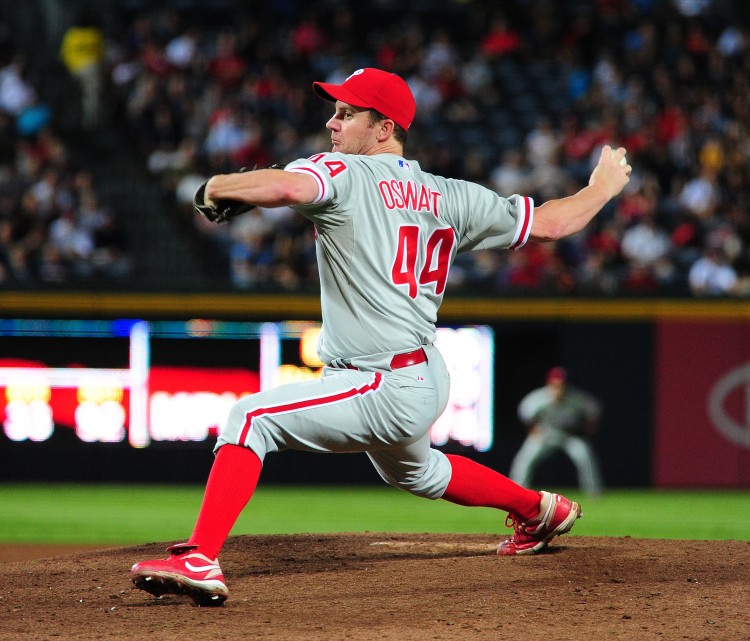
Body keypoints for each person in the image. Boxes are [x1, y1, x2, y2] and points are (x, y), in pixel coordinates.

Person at [130, 67, 631, 606]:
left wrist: (213, 187)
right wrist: (601, 189)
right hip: (421, 374)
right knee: (421, 472)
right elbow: (552, 223)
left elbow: (285, 185)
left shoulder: (345, 173)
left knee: (249, 419)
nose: (332, 122)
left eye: (347, 113)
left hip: (382, 380)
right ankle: (539, 509)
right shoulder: (450, 195)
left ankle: (201, 557)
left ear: (385, 127)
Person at [510, 367, 604, 497]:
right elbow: (525, 414)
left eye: (561, 384)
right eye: (555, 384)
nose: (558, 388)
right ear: (549, 384)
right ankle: (516, 491)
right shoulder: (538, 398)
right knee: (524, 459)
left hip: (569, 435)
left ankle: (594, 493)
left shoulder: (576, 398)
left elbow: (594, 412)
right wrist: (533, 430)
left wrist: (586, 431)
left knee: (584, 456)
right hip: (545, 434)